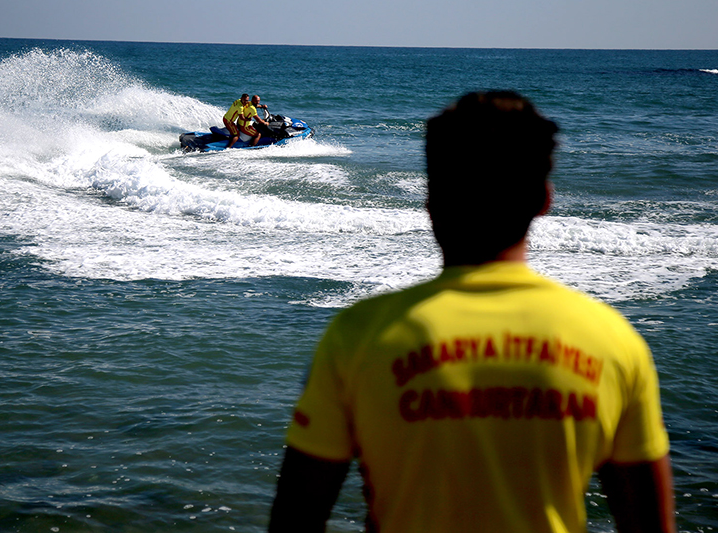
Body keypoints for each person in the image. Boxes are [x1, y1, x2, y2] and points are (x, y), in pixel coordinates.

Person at [268, 91, 676, 533]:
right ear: (544, 199)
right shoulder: (612, 341)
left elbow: (297, 518)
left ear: (430, 200)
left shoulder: (359, 336)